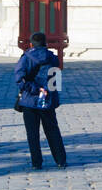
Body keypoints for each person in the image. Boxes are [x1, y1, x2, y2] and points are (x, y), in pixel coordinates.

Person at [14, 31, 67, 169]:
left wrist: (34, 89)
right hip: (47, 100)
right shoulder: (53, 58)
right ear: (46, 44)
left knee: (32, 133)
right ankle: (60, 160)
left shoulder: (26, 58)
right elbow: (56, 80)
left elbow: (19, 78)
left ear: (31, 44)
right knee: (53, 131)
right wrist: (50, 94)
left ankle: (36, 163)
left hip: (30, 100)